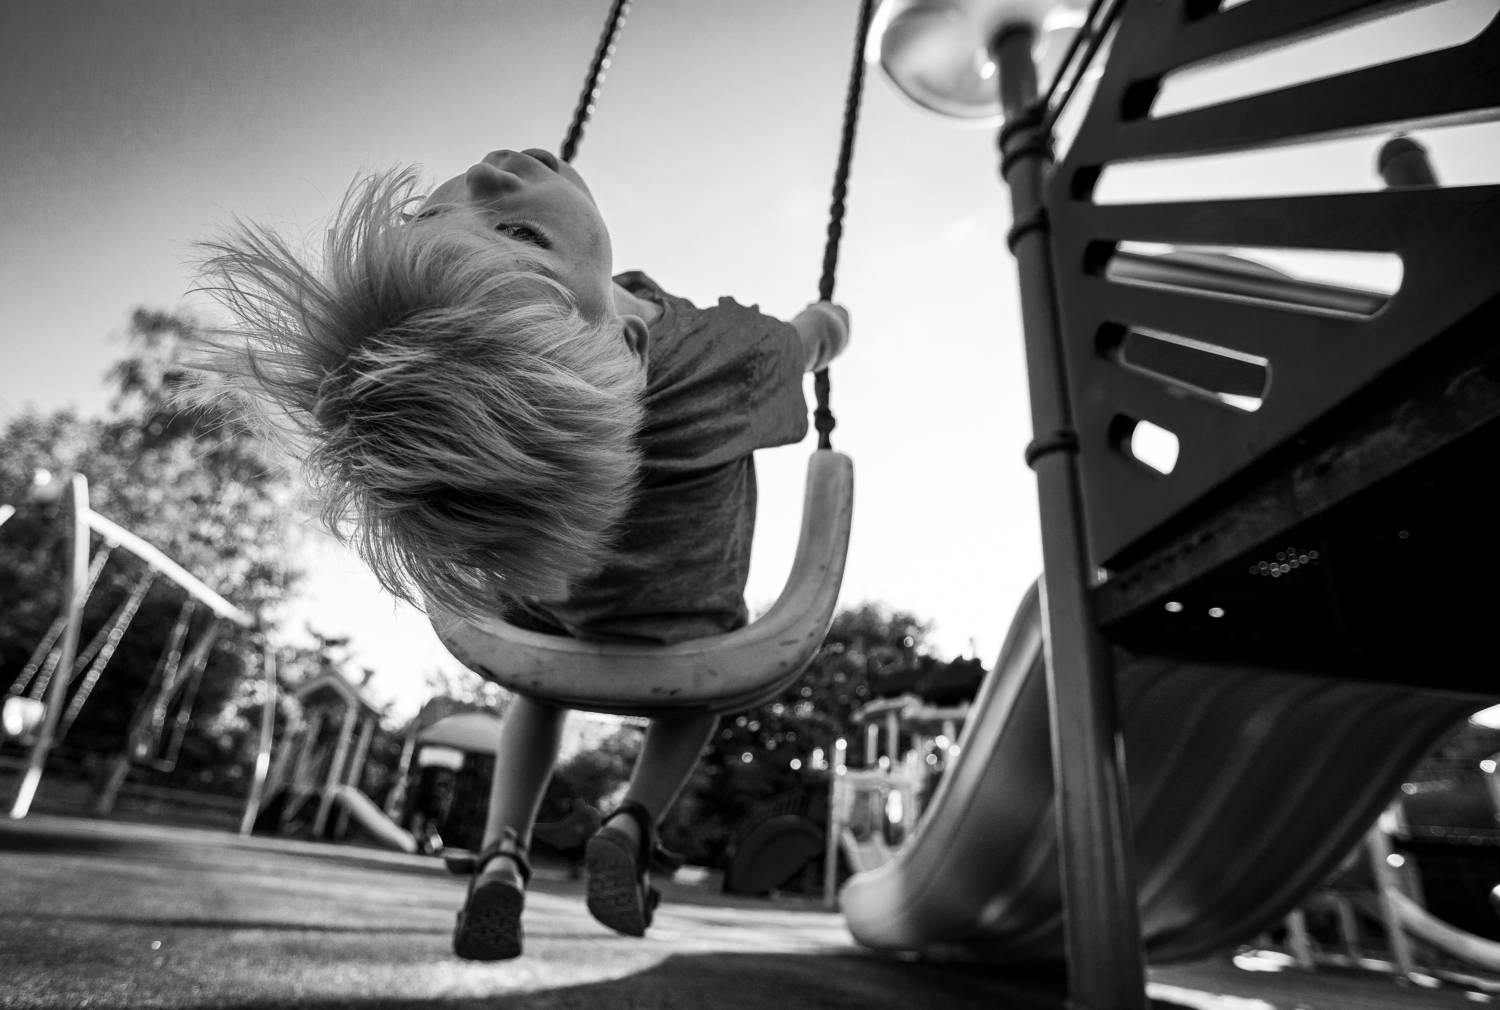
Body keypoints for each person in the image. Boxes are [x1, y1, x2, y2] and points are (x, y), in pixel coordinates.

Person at [184, 148, 850, 960]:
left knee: (538, 690)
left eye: (429, 217)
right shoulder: (723, 357)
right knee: (696, 697)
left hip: (555, 616)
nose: (486, 174)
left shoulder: (558, 376)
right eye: (523, 236)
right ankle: (635, 820)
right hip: (685, 626)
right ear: (630, 343)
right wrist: (829, 325)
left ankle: (504, 850)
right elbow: (809, 340)